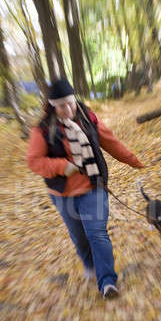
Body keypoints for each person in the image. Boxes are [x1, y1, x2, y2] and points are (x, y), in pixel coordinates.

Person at [26, 78, 145, 299]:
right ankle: (90, 265)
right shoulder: (42, 131)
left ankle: (107, 281)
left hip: (93, 187)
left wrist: (133, 160)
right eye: (62, 106)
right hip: (63, 195)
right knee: (79, 237)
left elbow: (110, 142)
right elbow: (34, 161)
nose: (68, 109)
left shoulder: (87, 118)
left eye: (70, 102)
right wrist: (61, 166)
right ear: (52, 106)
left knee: (97, 233)